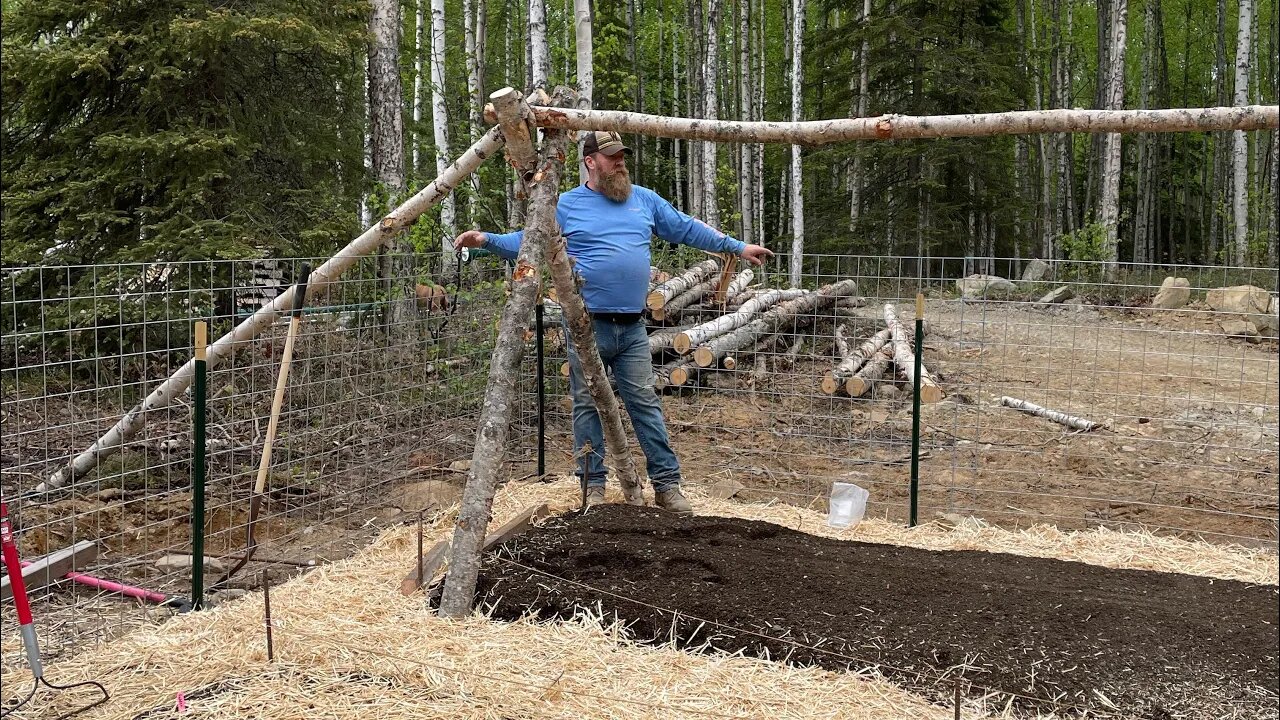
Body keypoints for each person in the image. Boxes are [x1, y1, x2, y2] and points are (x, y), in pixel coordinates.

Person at [454, 130, 772, 512]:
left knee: (645, 404)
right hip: (588, 327)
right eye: (611, 156)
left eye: (622, 155)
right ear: (590, 162)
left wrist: (737, 247)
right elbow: (528, 241)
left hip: (634, 327)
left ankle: (667, 487)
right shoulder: (567, 205)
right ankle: (593, 488)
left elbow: (686, 226)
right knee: (587, 405)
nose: (620, 162)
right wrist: (486, 239)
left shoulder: (644, 201)